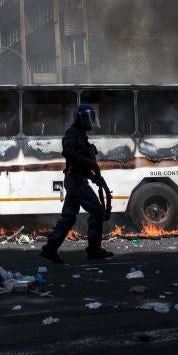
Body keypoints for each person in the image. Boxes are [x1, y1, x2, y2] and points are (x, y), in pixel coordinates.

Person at [40, 104, 114, 263]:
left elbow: (81, 163)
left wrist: (94, 176)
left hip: (78, 179)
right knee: (97, 211)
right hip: (76, 181)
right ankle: (94, 250)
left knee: (68, 217)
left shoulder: (81, 135)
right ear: (80, 119)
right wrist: (89, 162)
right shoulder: (73, 133)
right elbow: (68, 152)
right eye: (88, 118)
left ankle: (50, 249)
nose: (91, 121)